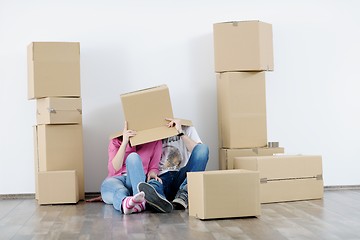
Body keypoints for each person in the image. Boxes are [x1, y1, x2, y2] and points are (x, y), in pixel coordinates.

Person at [100, 121, 172, 214]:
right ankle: (127, 202)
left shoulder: (155, 141)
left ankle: (137, 198)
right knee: (111, 187)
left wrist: (153, 173)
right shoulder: (115, 141)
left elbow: (154, 167)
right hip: (118, 179)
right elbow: (113, 170)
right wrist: (124, 143)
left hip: (137, 180)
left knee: (133, 157)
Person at [138, 118, 209, 210]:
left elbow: (199, 153)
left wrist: (180, 132)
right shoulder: (151, 131)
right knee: (153, 185)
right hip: (161, 177)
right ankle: (159, 200)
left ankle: (184, 194)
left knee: (203, 148)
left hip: (182, 177)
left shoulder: (186, 128)